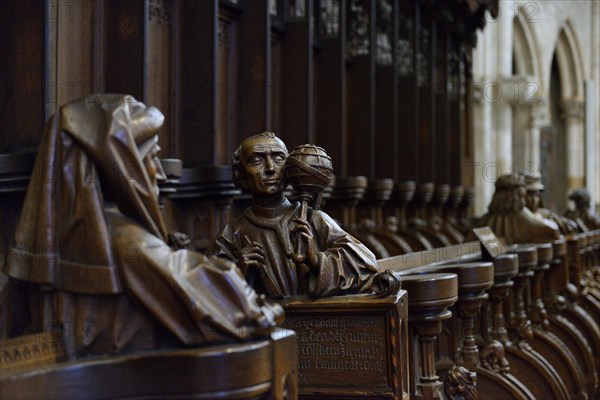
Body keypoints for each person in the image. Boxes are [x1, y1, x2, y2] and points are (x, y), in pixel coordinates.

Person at [3, 95, 283, 358]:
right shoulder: (123, 238)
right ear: (122, 169)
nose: (159, 172)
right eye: (150, 158)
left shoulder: (48, 242)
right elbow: (234, 311)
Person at [209, 133, 378, 298]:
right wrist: (239, 270)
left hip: (318, 321)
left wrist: (317, 260)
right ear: (242, 176)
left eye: (278, 158)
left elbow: (366, 265)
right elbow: (208, 293)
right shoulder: (232, 234)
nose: (270, 168)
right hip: (267, 323)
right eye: (257, 160)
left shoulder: (315, 220)